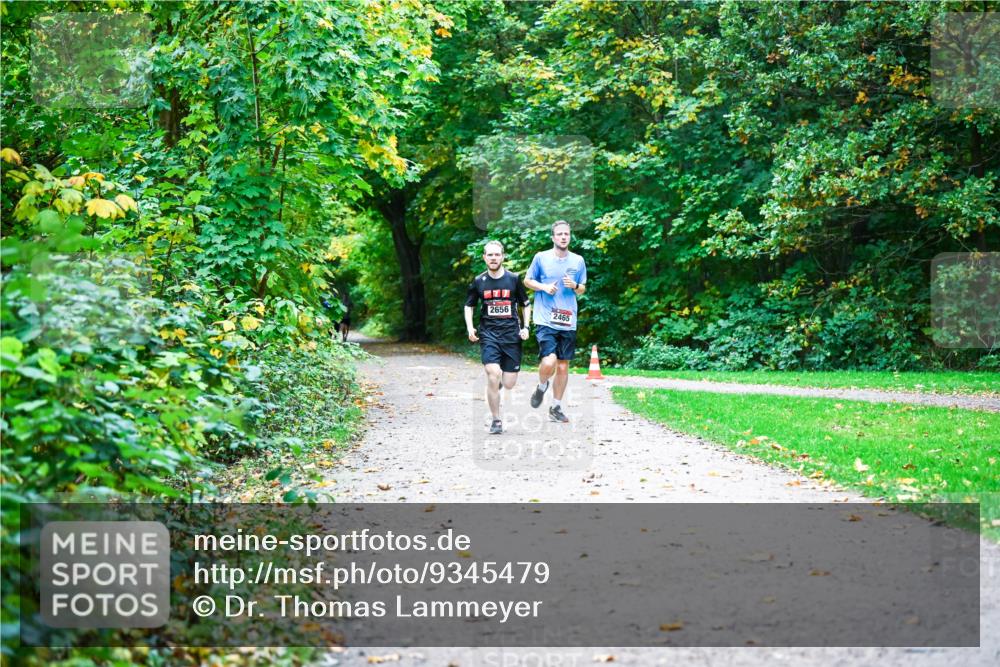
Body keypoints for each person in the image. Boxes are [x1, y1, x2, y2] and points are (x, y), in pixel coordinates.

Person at [523, 220, 587, 423]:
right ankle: (542, 385)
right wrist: (543, 287)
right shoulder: (541, 257)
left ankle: (556, 407)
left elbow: (582, 289)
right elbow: (527, 280)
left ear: (570, 236)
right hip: (545, 318)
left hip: (568, 319)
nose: (563, 237)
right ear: (553, 237)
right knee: (550, 361)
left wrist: (575, 285)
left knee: (563, 366)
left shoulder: (578, 260)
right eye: (559, 234)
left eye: (566, 234)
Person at [464, 240, 531, 435]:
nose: (493, 258)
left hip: (511, 336)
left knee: (509, 383)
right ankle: (496, 420)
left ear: (502, 257)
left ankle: (498, 383)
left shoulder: (513, 279)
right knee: (493, 373)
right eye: (490, 255)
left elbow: (526, 304)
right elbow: (469, 305)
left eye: (497, 255)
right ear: (484, 257)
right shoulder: (479, 281)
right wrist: (470, 327)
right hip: (489, 334)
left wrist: (526, 327)